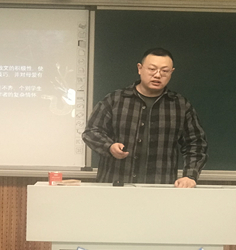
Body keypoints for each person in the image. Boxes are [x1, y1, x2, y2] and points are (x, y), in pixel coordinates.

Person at [82, 48, 208, 188]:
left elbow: (196, 144)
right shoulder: (115, 100)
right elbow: (91, 132)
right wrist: (109, 146)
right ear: (140, 68)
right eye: (152, 69)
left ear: (171, 72)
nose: (158, 75)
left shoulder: (180, 105)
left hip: (160, 188)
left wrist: (190, 176)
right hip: (115, 187)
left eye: (165, 71)